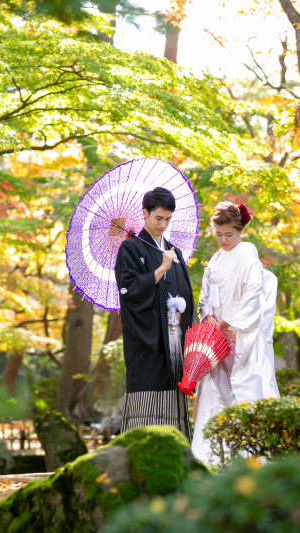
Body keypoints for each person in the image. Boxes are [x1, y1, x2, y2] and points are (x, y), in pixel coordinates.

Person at [191, 202, 280, 465]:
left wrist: (228, 322)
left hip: (241, 339)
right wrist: (208, 316)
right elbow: (205, 296)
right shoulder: (216, 260)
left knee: (243, 395)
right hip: (218, 339)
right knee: (214, 397)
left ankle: (250, 464)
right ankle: (209, 461)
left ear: (240, 230)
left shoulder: (248, 258)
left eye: (229, 234)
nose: (223, 240)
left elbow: (255, 297)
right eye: (218, 234)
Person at [114, 187, 198, 443]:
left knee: (175, 397)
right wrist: (160, 270)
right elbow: (129, 291)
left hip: (175, 340)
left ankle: (177, 454)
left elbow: (187, 295)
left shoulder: (175, 252)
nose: (163, 224)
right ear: (145, 214)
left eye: (167, 219)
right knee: (147, 401)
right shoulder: (129, 248)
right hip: (147, 340)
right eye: (158, 218)